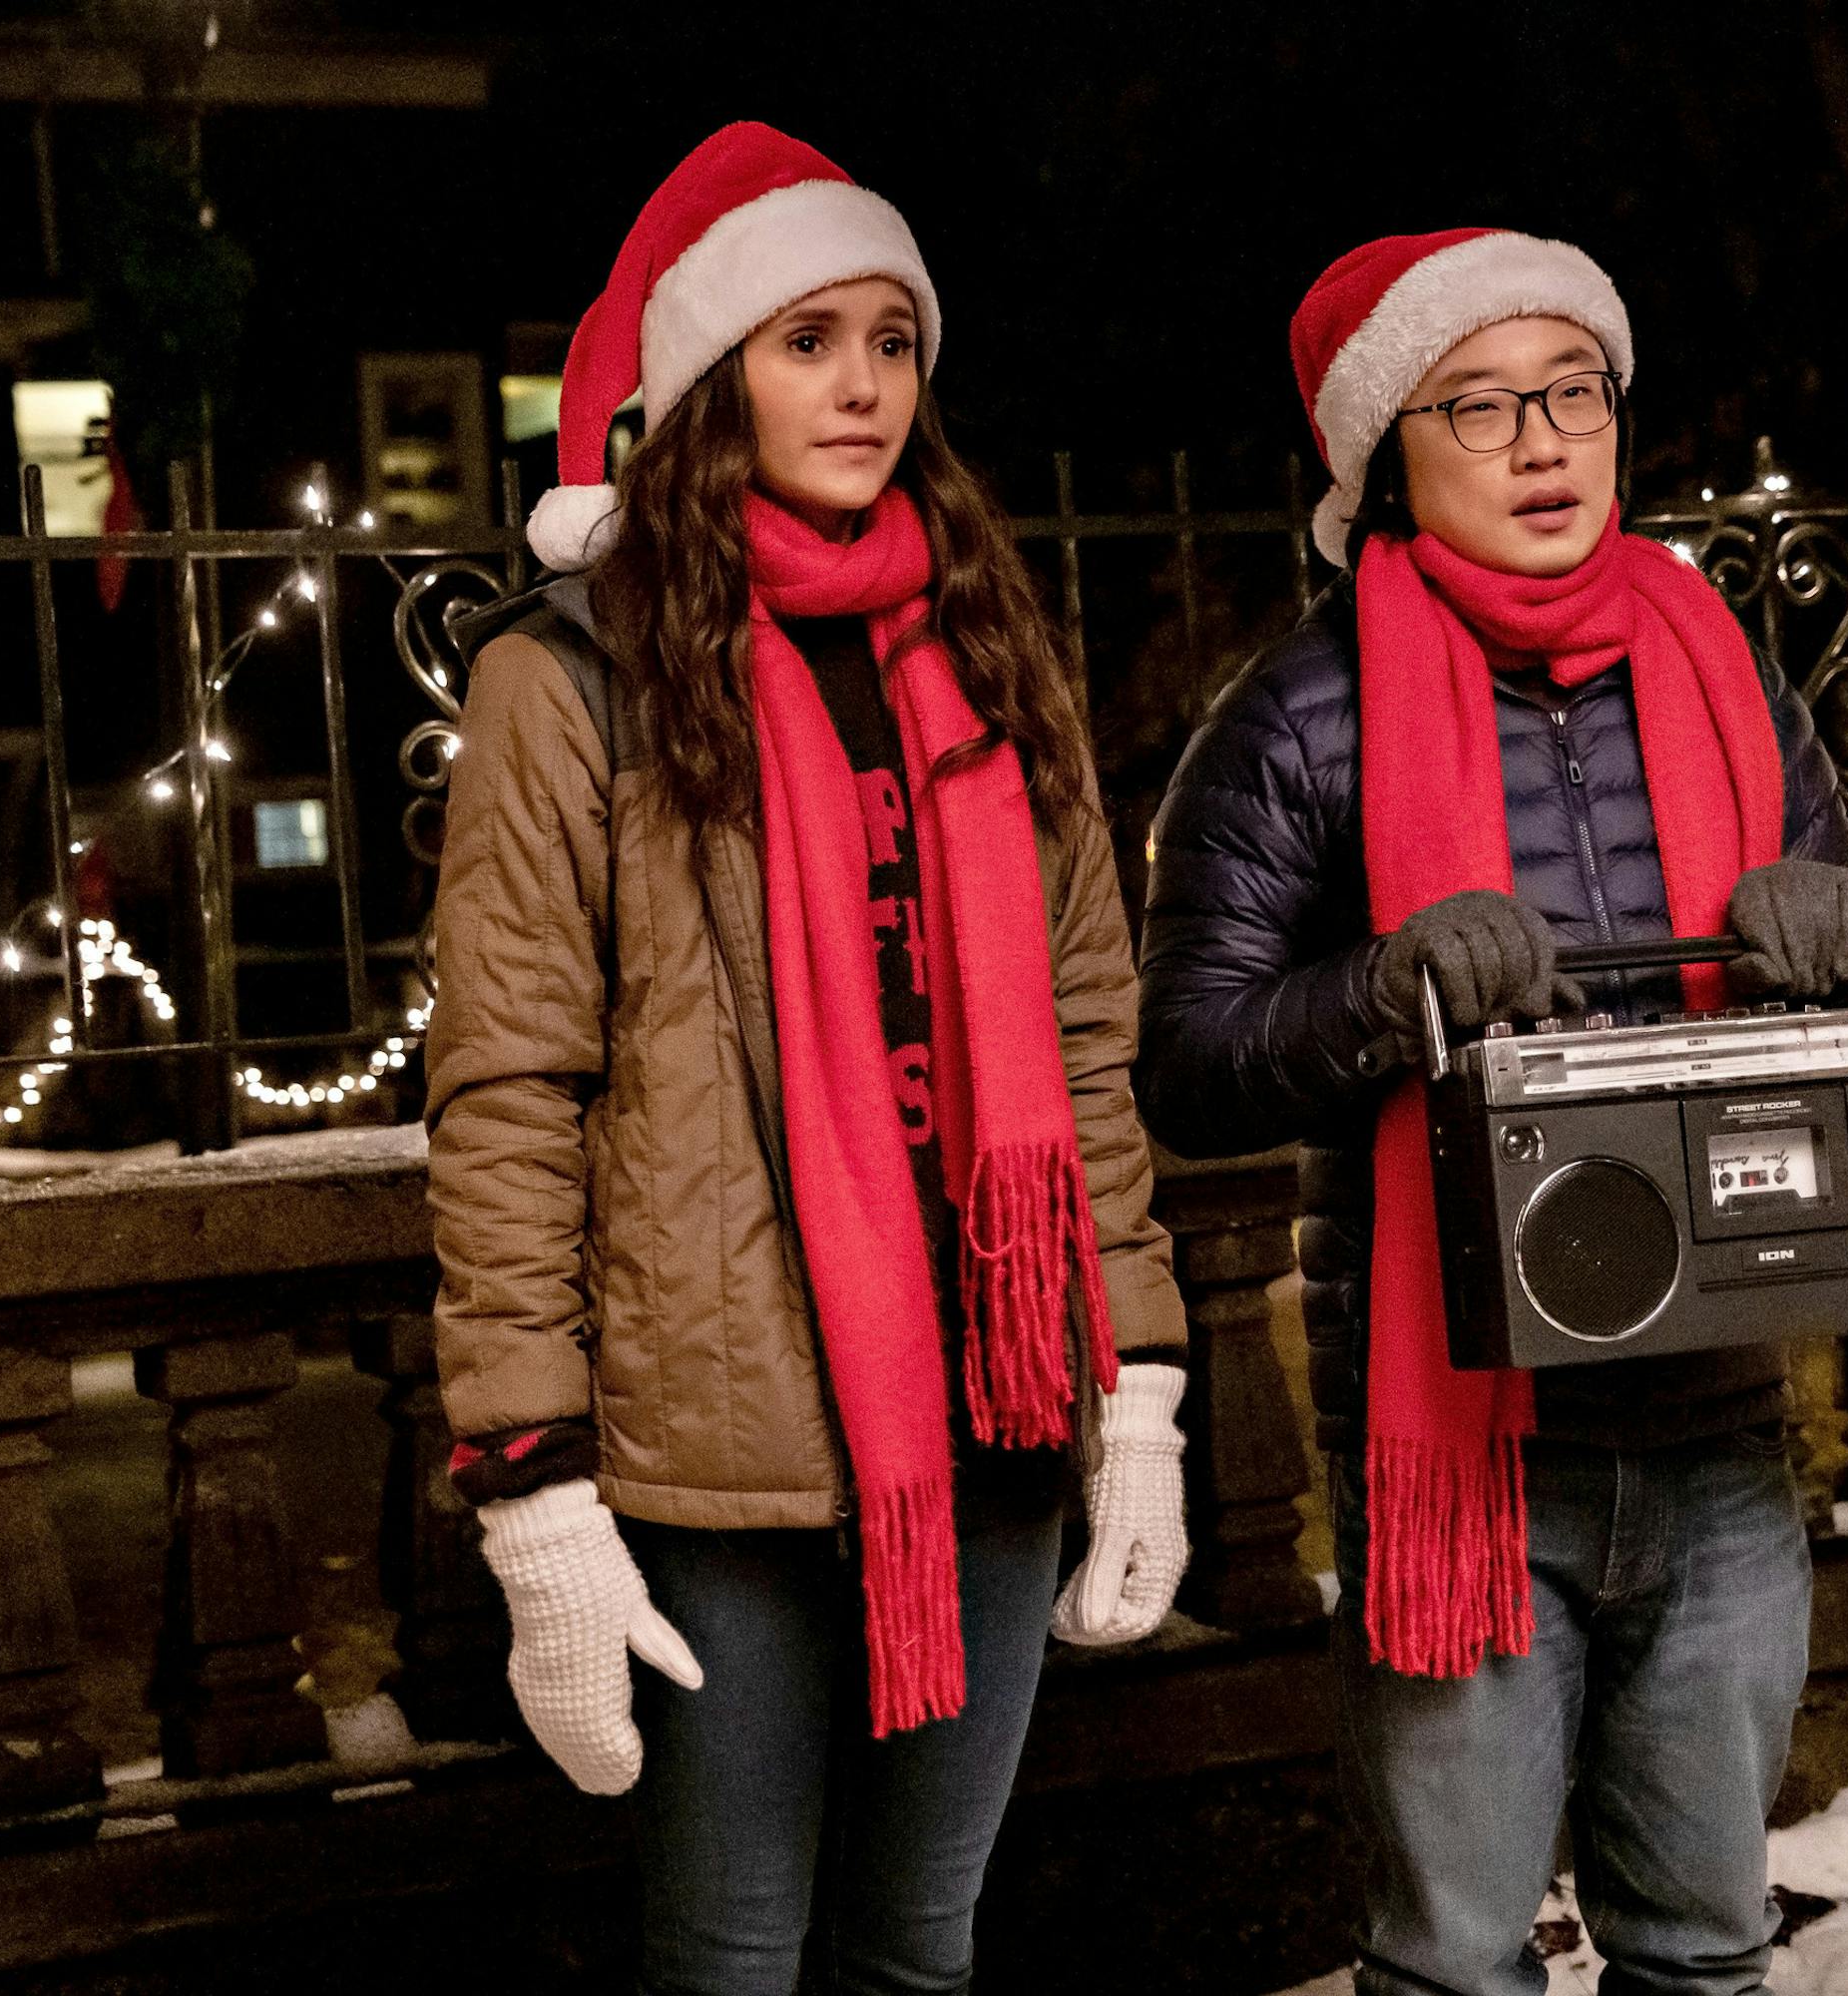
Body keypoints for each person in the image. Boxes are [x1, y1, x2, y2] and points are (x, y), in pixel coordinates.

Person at [425, 123, 1190, 1996]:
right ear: (706, 377)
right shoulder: (575, 677)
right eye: (802, 339)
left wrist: (1140, 1382)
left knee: (921, 1946)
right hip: (717, 1454)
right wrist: (531, 1484)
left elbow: (1086, 1036)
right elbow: (511, 1086)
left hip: (993, 1412)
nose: (858, 385)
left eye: (889, 340)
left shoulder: (992, 645)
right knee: (731, 1959)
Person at [1136, 228, 1848, 1996]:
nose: (1542, 442)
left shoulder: (1724, 665)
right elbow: (1187, 1057)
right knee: (1457, 1963)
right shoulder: (1300, 717)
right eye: (1478, 406)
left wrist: (1825, 940)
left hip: (1717, 1421)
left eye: (1572, 394)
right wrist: (1389, 987)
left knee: (1705, 1947)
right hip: (1463, 1450)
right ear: (1387, 455)